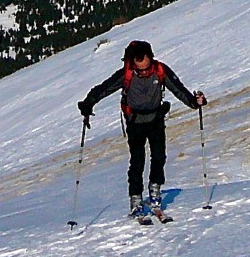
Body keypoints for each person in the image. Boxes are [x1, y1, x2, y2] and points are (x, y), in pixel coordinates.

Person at [78, 39, 207, 219]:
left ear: (151, 59)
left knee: (159, 157)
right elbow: (104, 88)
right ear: (133, 64)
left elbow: (179, 90)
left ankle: (155, 192)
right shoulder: (127, 74)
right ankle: (136, 199)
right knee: (137, 160)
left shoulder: (160, 70)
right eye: (140, 70)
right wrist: (88, 103)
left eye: (146, 68)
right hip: (135, 122)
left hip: (155, 119)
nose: (144, 72)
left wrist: (194, 102)